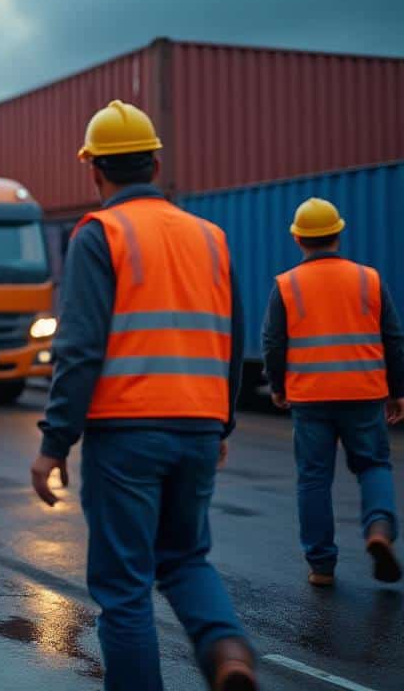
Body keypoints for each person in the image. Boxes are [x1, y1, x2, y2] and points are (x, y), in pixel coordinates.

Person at [32, 101, 256, 690]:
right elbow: (233, 343)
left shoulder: (99, 235)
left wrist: (54, 443)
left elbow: (79, 349)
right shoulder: (211, 238)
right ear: (155, 164)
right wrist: (222, 424)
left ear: (94, 171)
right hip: (199, 427)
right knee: (185, 559)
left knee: (125, 587)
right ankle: (227, 649)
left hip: (126, 433)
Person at [261, 197, 403, 587]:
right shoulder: (369, 279)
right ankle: (379, 528)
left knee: (314, 478)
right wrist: (397, 389)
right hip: (364, 392)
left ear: (297, 238)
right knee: (373, 465)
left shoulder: (287, 285)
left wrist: (278, 386)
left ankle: (321, 565)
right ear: (338, 234)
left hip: (310, 396)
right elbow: (393, 338)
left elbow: (273, 342)